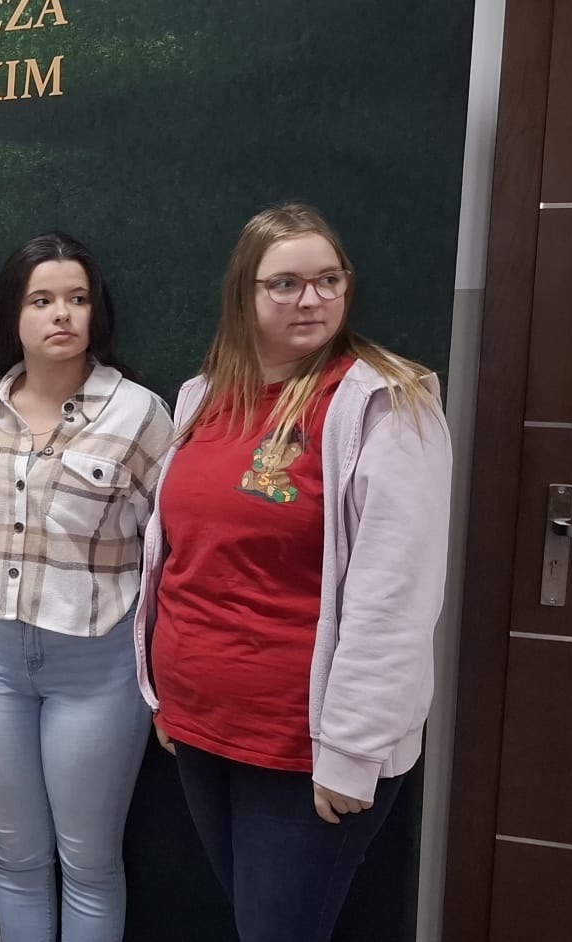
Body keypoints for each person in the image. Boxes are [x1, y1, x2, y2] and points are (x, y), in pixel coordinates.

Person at [139, 202, 452, 942]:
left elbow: (395, 598)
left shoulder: (385, 404)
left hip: (304, 747)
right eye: (285, 284)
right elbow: (180, 557)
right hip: (200, 724)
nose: (311, 299)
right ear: (244, 294)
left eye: (328, 280)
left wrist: (352, 753)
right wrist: (163, 696)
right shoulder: (204, 395)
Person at [0, 233, 172, 942]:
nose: (62, 315)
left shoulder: (140, 413)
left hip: (97, 661)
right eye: (41, 300)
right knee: (15, 856)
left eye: (77, 298)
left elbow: (168, 549)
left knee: (89, 861)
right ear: (11, 314)